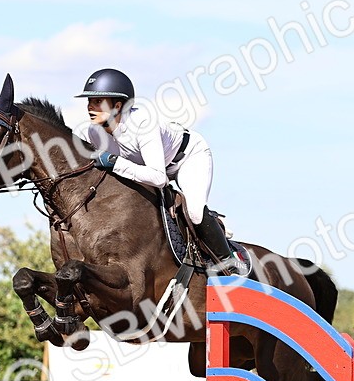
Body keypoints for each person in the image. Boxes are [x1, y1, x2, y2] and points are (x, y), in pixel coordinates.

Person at [74, 67, 240, 271]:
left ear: (117, 105)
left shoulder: (143, 122)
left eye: (98, 102)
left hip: (187, 159)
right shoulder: (93, 132)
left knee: (195, 212)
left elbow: (159, 178)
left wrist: (116, 162)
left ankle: (230, 263)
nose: (90, 106)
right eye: (89, 101)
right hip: (148, 168)